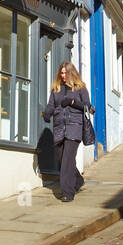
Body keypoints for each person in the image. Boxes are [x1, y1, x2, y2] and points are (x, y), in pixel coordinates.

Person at [42, 61, 92, 202]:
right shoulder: (56, 89)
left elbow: (88, 107)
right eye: (61, 73)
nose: (63, 76)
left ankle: (67, 192)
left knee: (67, 161)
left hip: (74, 126)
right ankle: (77, 181)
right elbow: (51, 105)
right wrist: (47, 113)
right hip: (59, 127)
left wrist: (72, 102)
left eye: (66, 73)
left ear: (72, 73)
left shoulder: (80, 88)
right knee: (63, 159)